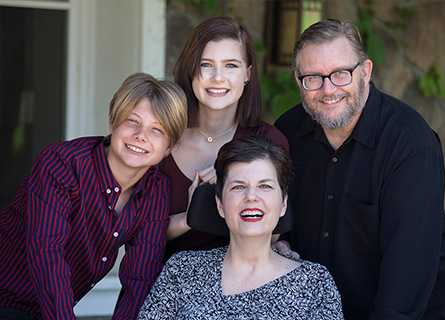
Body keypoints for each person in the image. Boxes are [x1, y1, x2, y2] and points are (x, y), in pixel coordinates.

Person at [273, 19, 445, 319]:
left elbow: (405, 282)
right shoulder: (287, 134)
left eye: (340, 74)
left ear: (365, 72)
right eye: (313, 77)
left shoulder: (410, 146)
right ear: (298, 81)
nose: (327, 89)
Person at [0, 72, 188, 320]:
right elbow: (47, 252)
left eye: (157, 129)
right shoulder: (62, 164)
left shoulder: (156, 190)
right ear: (112, 122)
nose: (141, 135)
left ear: (170, 147)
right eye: (132, 121)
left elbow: (140, 276)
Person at [137, 135, 344, 319]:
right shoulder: (181, 270)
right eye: (238, 187)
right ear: (219, 204)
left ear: (283, 204)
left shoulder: (315, 283)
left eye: (265, 186)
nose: (251, 196)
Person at [159, 16, 289, 260]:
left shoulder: (269, 140)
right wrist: (192, 214)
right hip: (161, 284)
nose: (218, 77)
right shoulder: (162, 136)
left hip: (241, 287)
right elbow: (136, 230)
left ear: (247, 74)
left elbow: (273, 234)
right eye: (206, 64)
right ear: (191, 70)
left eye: (231, 65)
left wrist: (236, 184)